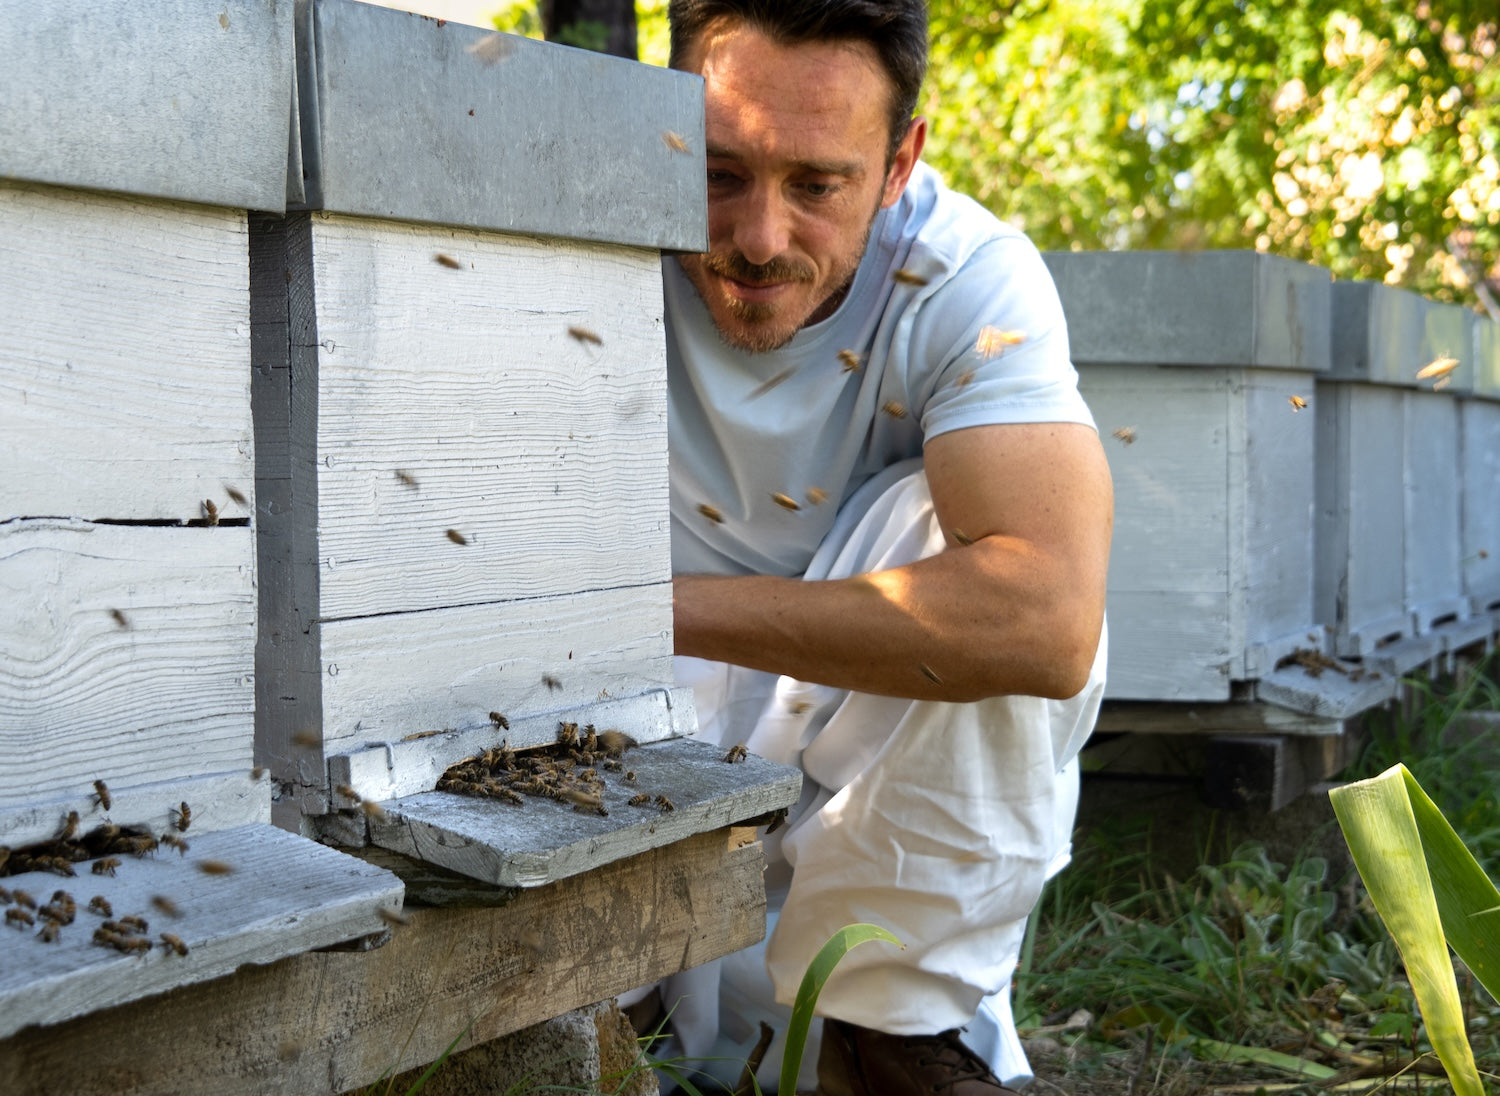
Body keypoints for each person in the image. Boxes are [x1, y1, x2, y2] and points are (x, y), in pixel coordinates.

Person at [649, 2, 1113, 1092]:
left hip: (854, 751)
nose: (759, 238)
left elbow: (1046, 620)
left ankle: (890, 1035)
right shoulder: (562, 229)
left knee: (968, 539)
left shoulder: (967, 277)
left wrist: (636, 603)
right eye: (719, 174)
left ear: (900, 159)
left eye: (816, 184)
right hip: (613, 726)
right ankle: (592, 1015)